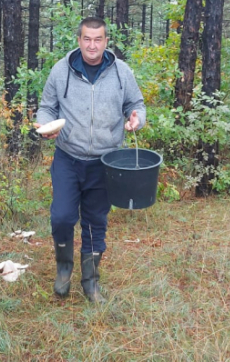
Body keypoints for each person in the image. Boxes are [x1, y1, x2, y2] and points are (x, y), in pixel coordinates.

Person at [33, 16, 146, 303]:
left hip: (105, 162)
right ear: (79, 40)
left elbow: (136, 104)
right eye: (87, 39)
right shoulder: (61, 70)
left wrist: (136, 119)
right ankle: (63, 269)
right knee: (62, 217)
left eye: (98, 39)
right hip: (68, 158)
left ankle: (91, 282)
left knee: (96, 221)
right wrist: (44, 124)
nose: (92, 45)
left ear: (106, 41)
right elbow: (47, 107)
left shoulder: (121, 72)